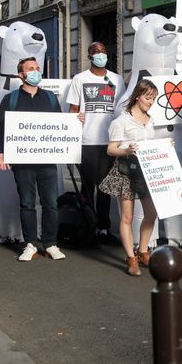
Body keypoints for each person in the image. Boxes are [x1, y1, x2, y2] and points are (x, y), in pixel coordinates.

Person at [0, 57, 67, 262]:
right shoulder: (11, 99)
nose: (36, 71)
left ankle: (50, 243)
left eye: (37, 68)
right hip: (22, 161)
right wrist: (1, 152)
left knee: (50, 203)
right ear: (21, 75)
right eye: (30, 69)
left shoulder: (51, 98)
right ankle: (30, 244)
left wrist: (74, 122)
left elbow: (60, 125)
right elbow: (2, 128)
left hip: (47, 160)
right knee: (27, 202)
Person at [102, 79, 162, 276]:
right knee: (127, 217)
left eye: (153, 98)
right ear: (137, 96)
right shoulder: (121, 121)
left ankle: (143, 250)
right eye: (148, 97)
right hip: (126, 171)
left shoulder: (150, 119)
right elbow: (111, 149)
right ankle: (130, 258)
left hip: (146, 172)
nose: (151, 102)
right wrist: (127, 150)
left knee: (151, 214)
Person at [67, 41, 124, 244]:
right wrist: (73, 127)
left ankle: (103, 228)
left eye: (103, 51)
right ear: (90, 56)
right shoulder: (79, 79)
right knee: (87, 187)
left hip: (109, 142)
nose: (101, 54)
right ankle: (88, 225)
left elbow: (121, 111)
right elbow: (72, 110)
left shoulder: (117, 79)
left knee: (105, 188)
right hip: (86, 141)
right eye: (96, 52)